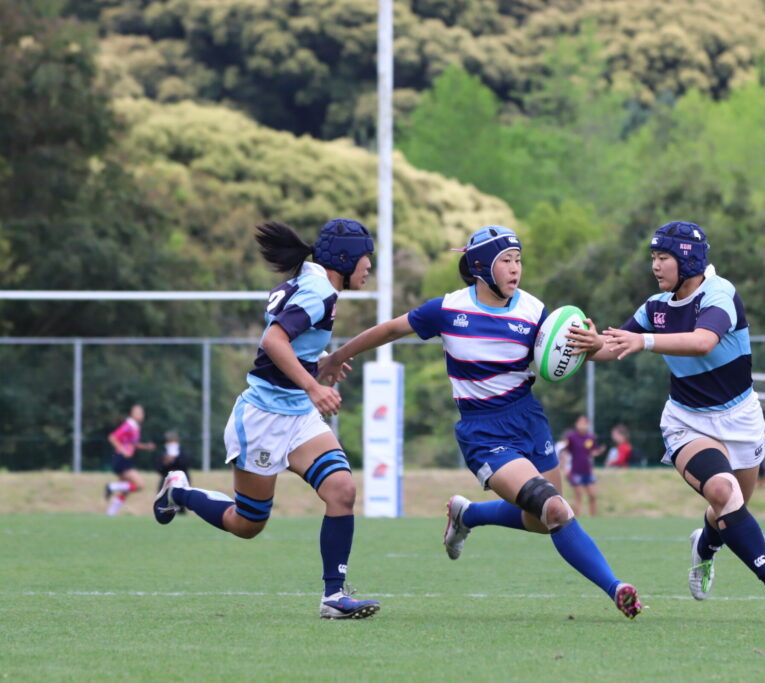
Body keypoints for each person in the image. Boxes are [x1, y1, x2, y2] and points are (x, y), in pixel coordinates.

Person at [319, 225, 643, 619]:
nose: (515, 268)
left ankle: (467, 514)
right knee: (555, 509)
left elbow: (584, 351)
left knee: (545, 520)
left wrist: (595, 346)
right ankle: (617, 588)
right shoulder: (449, 309)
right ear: (479, 266)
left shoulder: (533, 311)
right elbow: (388, 330)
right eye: (505, 260)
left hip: (529, 420)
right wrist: (336, 357)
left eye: (518, 260)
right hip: (484, 432)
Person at [152, 218, 381, 620]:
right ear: (344, 258)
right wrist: (313, 387)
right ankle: (179, 492)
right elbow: (273, 341)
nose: (368, 267)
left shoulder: (314, 284)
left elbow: (292, 344)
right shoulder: (319, 292)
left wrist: (318, 365)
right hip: (262, 419)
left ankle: (334, 596)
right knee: (247, 523)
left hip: (298, 418)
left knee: (342, 489)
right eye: (366, 258)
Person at [569, 220, 765, 610]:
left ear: (688, 261)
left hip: (742, 418)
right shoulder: (655, 308)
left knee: (731, 507)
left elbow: (703, 341)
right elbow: (615, 346)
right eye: (653, 258)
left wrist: (644, 341)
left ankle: (704, 545)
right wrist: (590, 345)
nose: (655, 266)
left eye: (663, 258)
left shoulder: (719, 293)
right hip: (687, 421)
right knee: (724, 493)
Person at [104, 404, 155, 516]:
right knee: (139, 485)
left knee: (125, 490)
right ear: (132, 414)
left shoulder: (135, 427)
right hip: (123, 459)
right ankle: (112, 486)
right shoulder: (128, 425)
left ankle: (110, 514)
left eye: (142, 412)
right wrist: (123, 451)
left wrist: (146, 447)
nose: (142, 415)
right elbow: (112, 438)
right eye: (139, 412)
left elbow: (133, 444)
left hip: (125, 458)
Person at [563, 415, 605, 516]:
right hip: (575, 471)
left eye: (585, 423)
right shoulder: (571, 436)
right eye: (580, 423)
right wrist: (565, 468)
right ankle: (576, 518)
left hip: (588, 471)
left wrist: (600, 451)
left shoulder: (591, 437)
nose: (583, 425)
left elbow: (593, 451)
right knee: (578, 495)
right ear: (576, 424)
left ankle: (594, 518)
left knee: (593, 495)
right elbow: (565, 452)